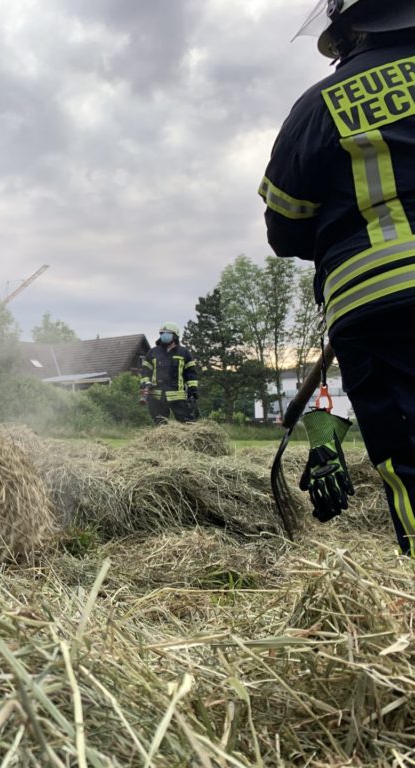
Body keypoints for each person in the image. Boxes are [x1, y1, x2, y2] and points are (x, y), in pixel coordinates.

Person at [261, 0, 415, 554]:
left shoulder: (321, 104)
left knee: (410, 457)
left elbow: (285, 228)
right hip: (383, 307)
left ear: (349, 28)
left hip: (383, 305)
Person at [139, 321, 199, 425]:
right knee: (160, 425)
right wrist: (146, 383)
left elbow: (191, 374)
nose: (163, 335)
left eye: (167, 333)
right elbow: (145, 371)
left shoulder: (184, 353)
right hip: (156, 396)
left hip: (178, 396)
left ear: (175, 335)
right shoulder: (153, 352)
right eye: (162, 333)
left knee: (187, 424)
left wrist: (192, 391)